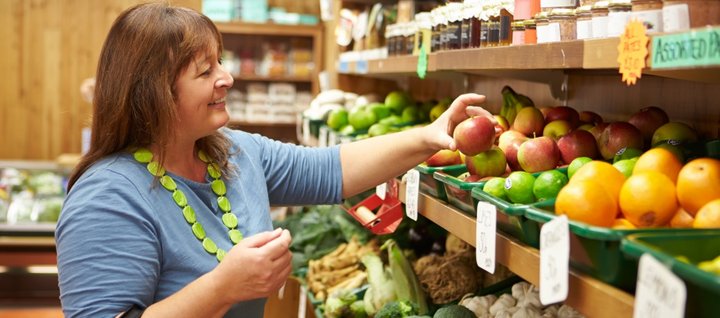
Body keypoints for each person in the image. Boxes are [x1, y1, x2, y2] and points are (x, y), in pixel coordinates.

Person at [55, 3, 493, 318]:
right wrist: (224, 287)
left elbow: (332, 169)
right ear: (152, 92)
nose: (227, 77)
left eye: (220, 62)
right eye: (205, 72)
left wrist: (428, 136)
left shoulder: (231, 153)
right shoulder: (108, 198)